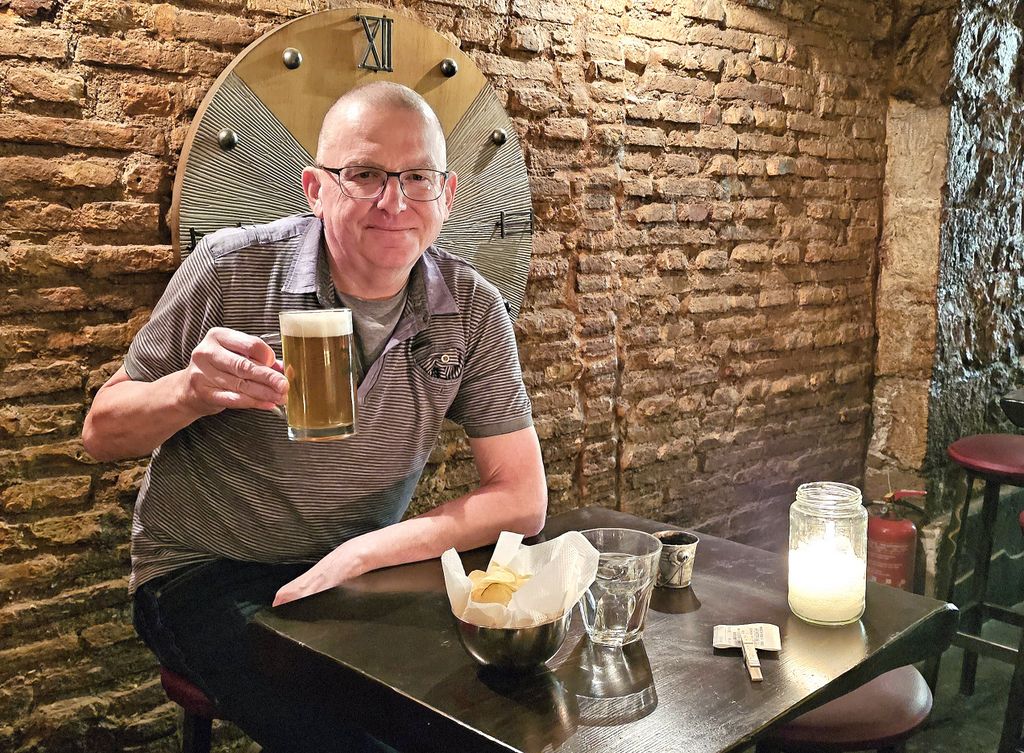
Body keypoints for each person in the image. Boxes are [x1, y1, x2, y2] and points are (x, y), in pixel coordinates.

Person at [82, 82, 547, 752]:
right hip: (205, 570)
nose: (394, 201)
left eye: (417, 177)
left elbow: (521, 497)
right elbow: (101, 432)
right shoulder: (231, 267)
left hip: (359, 572)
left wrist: (363, 552)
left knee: (484, 715)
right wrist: (190, 389)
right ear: (315, 188)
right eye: (363, 174)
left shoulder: (471, 307)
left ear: (446, 195)